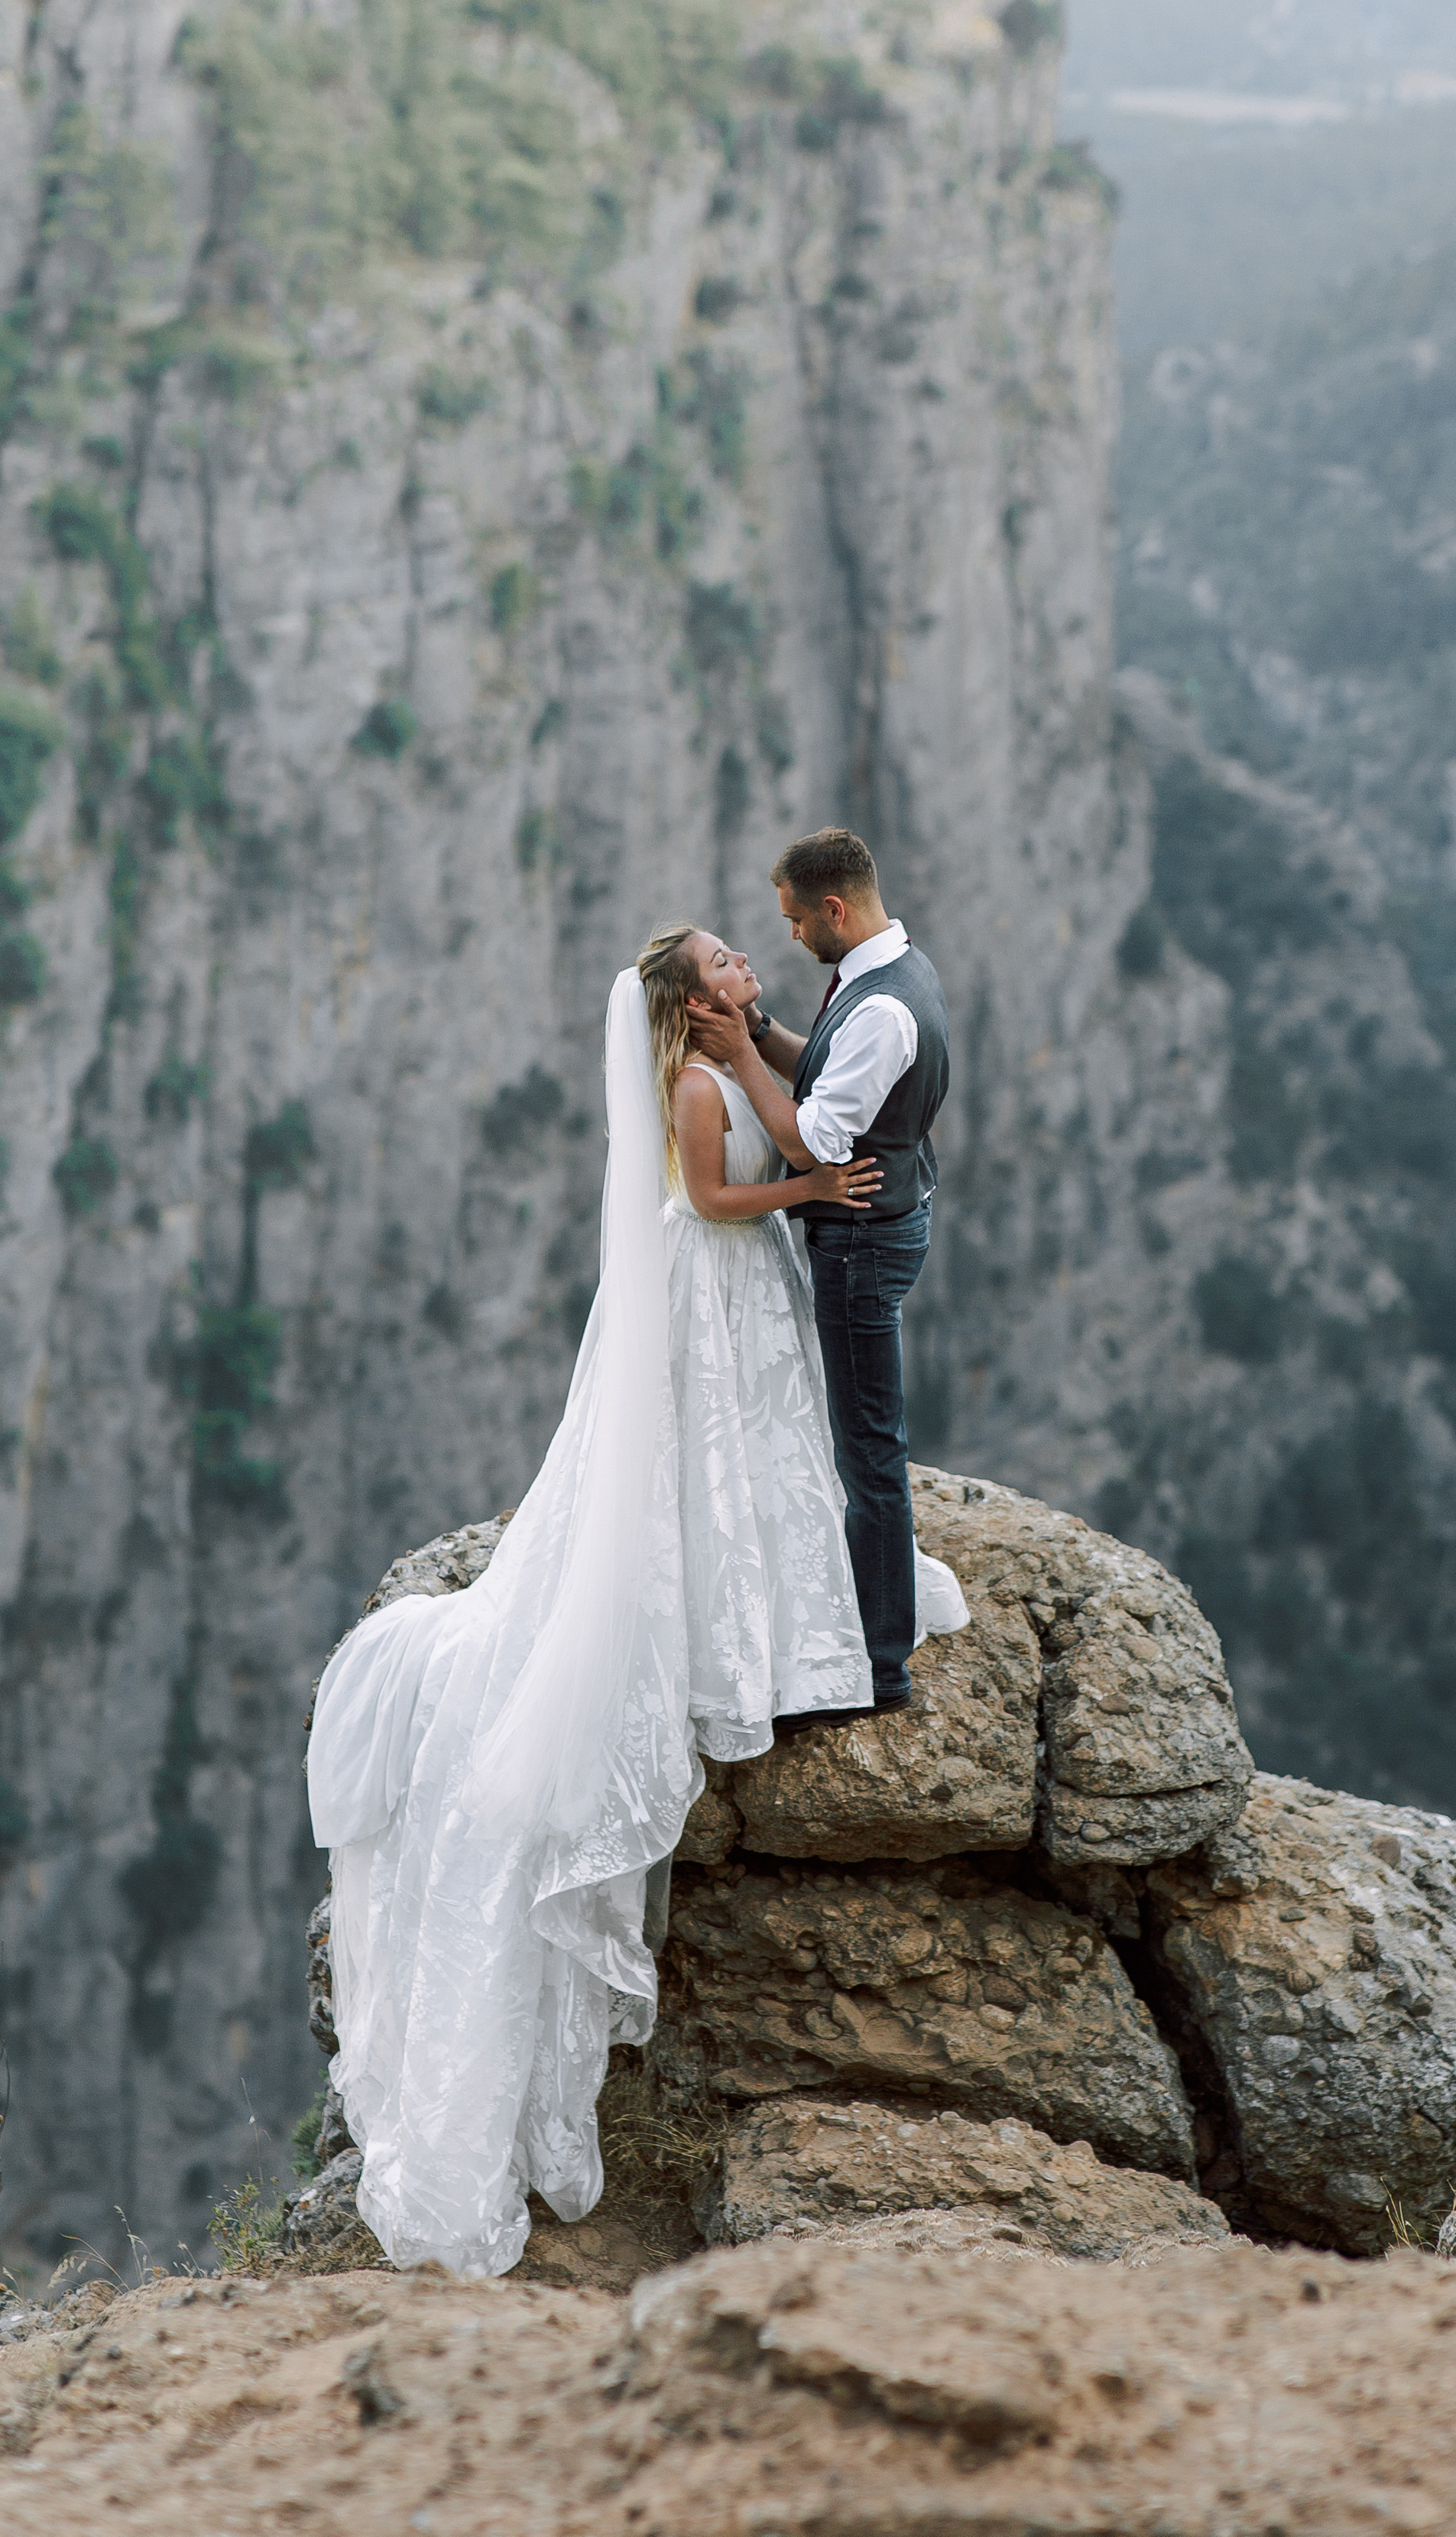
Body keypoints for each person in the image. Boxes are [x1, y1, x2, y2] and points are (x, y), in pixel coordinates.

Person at [303, 922, 964, 2279]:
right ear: (686, 998)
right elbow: (719, 1201)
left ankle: (788, 1608)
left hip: (739, 1293)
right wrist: (813, 1193)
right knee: (706, 1469)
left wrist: (793, 1138)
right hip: (712, 1282)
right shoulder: (683, 1088)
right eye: (730, 962)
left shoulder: (719, 1059)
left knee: (757, 1465)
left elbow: (772, 1125)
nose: (749, 968)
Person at [686, 829, 949, 1714]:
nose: (789, 936)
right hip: (884, 1223)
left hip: (862, 1243)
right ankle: (868, 1620)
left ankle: (880, 1670)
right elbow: (830, 1073)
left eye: (797, 920)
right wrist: (759, 1031)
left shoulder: (882, 1008)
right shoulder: (892, 970)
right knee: (864, 1440)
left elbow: (809, 1136)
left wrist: (733, 1056)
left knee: (870, 1451)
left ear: (833, 910)